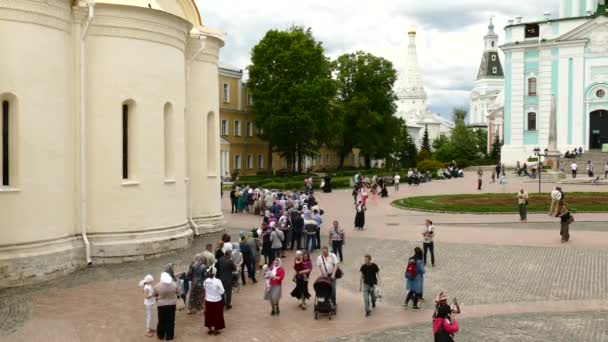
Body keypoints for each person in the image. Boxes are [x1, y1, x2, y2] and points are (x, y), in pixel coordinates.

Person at [153, 272, 179, 341]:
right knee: (171, 320)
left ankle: (161, 336)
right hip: (172, 304)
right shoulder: (174, 284)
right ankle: (169, 336)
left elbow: (154, 294)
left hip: (161, 305)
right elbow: (177, 292)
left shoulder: (157, 286)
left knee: (161, 320)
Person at [203, 266, 225, 336]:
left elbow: (205, 289)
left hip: (208, 300)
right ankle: (216, 329)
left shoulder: (206, 281)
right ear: (215, 273)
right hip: (217, 300)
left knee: (209, 314)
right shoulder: (218, 281)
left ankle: (210, 329)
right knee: (217, 315)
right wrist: (217, 291)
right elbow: (222, 291)